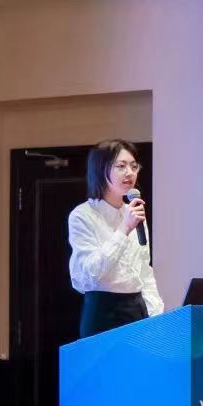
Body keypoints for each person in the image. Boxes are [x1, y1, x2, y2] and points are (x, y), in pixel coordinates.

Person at [68, 139, 164, 338]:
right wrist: (124, 229)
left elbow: (144, 270)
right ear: (100, 169)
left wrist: (156, 317)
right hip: (103, 312)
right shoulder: (83, 215)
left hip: (137, 309)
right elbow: (89, 275)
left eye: (134, 166)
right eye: (121, 166)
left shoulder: (134, 212)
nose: (129, 172)